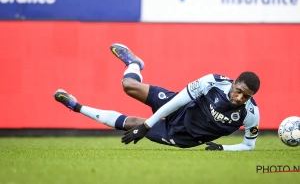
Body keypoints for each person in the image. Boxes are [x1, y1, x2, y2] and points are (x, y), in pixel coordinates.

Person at [54, 43, 260, 151]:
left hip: (182, 136)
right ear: (234, 83)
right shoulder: (212, 81)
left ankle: (76, 106)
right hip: (179, 108)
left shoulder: (250, 114)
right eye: (239, 90)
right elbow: (178, 100)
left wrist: (222, 148)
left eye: (246, 96)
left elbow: (248, 146)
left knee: (132, 123)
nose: (240, 97)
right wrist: (148, 125)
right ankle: (134, 64)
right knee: (128, 86)